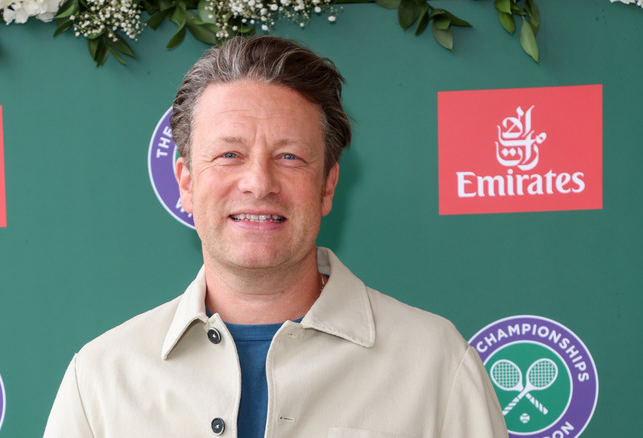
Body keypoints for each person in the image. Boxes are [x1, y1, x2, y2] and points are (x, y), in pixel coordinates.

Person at [44, 36, 507, 437]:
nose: (258, 183)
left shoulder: (438, 365)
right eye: (229, 154)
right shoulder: (100, 379)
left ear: (327, 186)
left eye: (289, 157)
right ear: (185, 183)